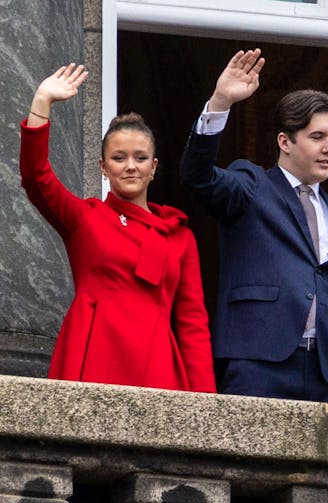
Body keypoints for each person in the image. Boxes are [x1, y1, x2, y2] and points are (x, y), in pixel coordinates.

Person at [179, 49, 328, 404]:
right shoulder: (251, 185)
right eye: (317, 137)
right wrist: (221, 102)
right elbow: (197, 176)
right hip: (258, 362)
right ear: (285, 141)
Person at [19, 64, 214, 392]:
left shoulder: (180, 237)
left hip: (157, 366)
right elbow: (37, 178)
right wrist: (42, 103)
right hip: (93, 357)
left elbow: (193, 324)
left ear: (154, 167)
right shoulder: (85, 217)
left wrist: (207, 404)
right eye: (119, 158)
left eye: (140, 158)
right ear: (103, 167)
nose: (130, 167)